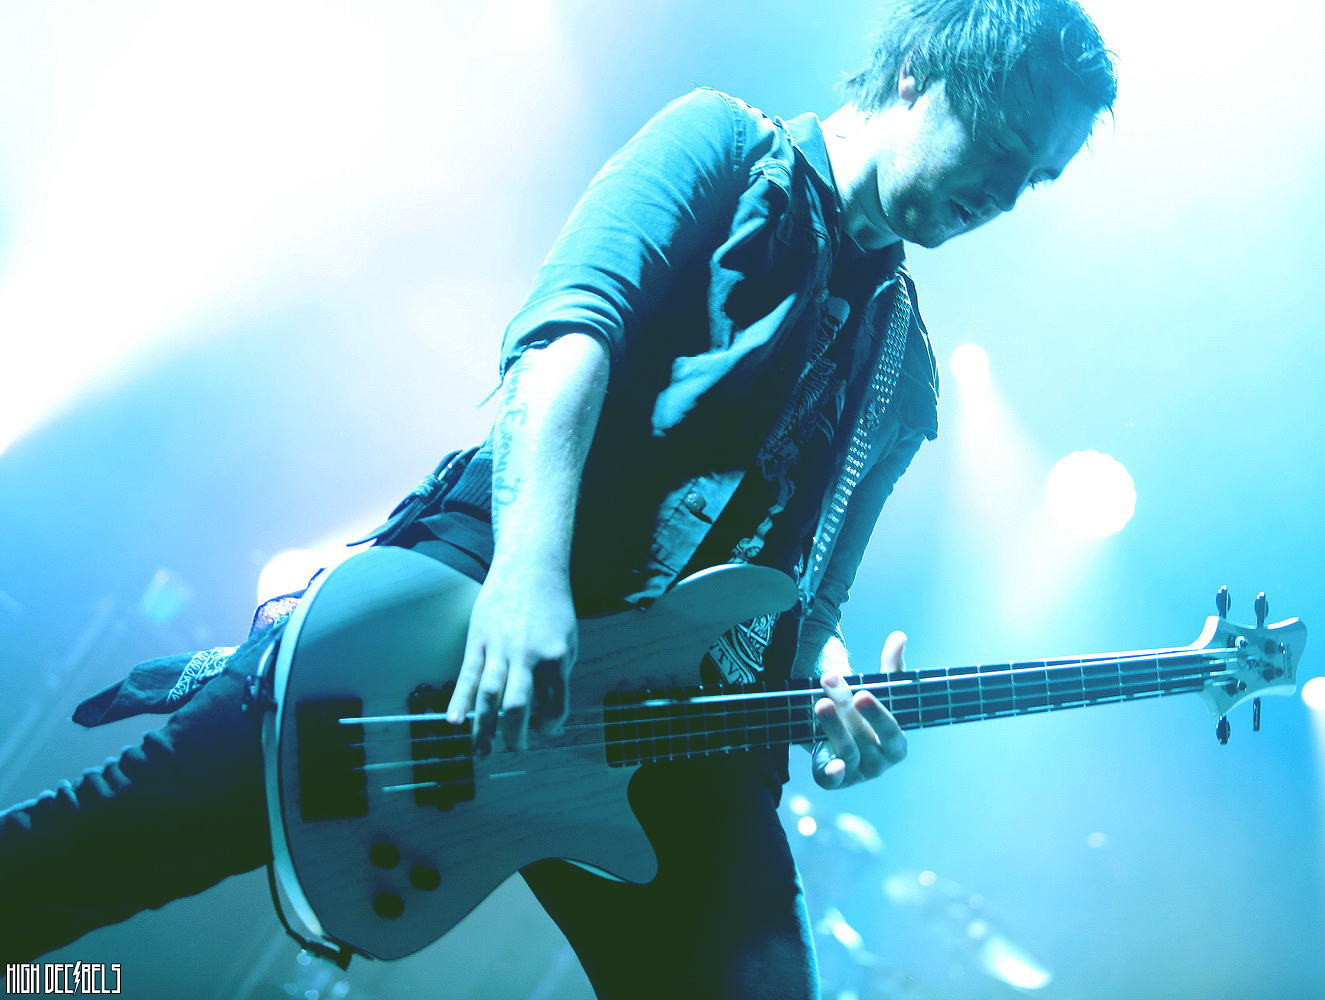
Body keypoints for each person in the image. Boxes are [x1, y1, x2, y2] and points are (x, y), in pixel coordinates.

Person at [0, 1, 1116, 996]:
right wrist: (527, 579)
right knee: (79, 864)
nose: (1007, 192)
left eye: (1038, 179)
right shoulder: (724, 145)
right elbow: (566, 335)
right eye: (1005, 145)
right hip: (481, 597)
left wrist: (830, 690)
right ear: (919, 73)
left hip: (671, 731)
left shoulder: (906, 379)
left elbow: (806, 599)